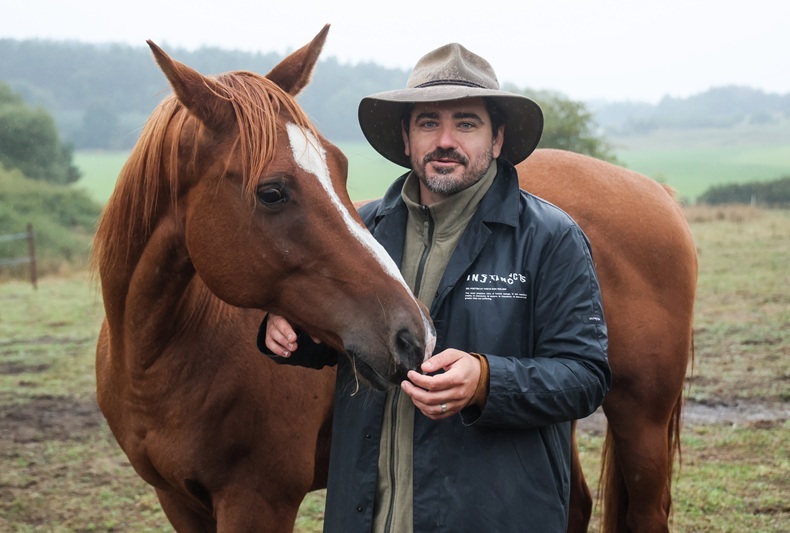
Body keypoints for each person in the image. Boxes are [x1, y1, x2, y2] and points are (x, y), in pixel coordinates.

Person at [259, 43, 611, 532]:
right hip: (369, 516)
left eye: (466, 124)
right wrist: (291, 332)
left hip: (492, 519)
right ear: (406, 138)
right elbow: (342, 332)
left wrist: (486, 380)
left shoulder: (549, 238)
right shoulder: (362, 230)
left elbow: (585, 376)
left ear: (497, 139)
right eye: (428, 123)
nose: (445, 140)